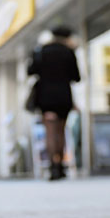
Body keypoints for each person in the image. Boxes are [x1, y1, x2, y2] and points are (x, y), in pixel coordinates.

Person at [28, 27, 81, 181]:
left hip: (45, 96)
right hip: (64, 95)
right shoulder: (68, 52)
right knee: (61, 131)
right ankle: (61, 165)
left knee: (50, 131)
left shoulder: (41, 51)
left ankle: (53, 165)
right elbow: (76, 77)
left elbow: (31, 71)